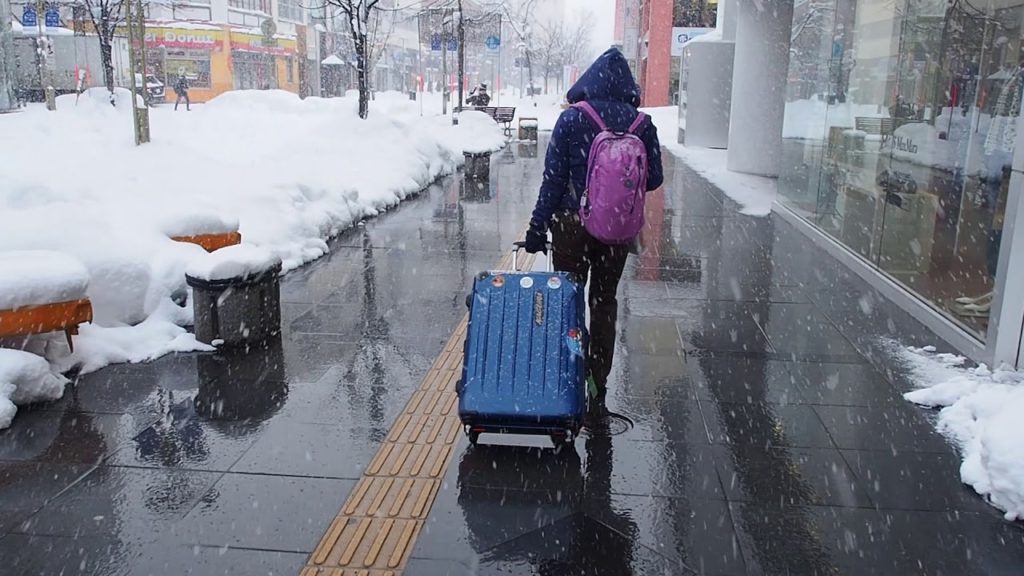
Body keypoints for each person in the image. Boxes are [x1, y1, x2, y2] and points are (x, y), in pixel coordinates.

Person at [523, 47, 663, 410]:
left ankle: (571, 369)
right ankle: (598, 384)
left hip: (571, 225)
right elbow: (654, 179)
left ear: (589, 81)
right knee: (604, 302)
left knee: (568, 302)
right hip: (616, 228)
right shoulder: (642, 124)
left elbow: (552, 182)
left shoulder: (572, 120)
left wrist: (537, 228)